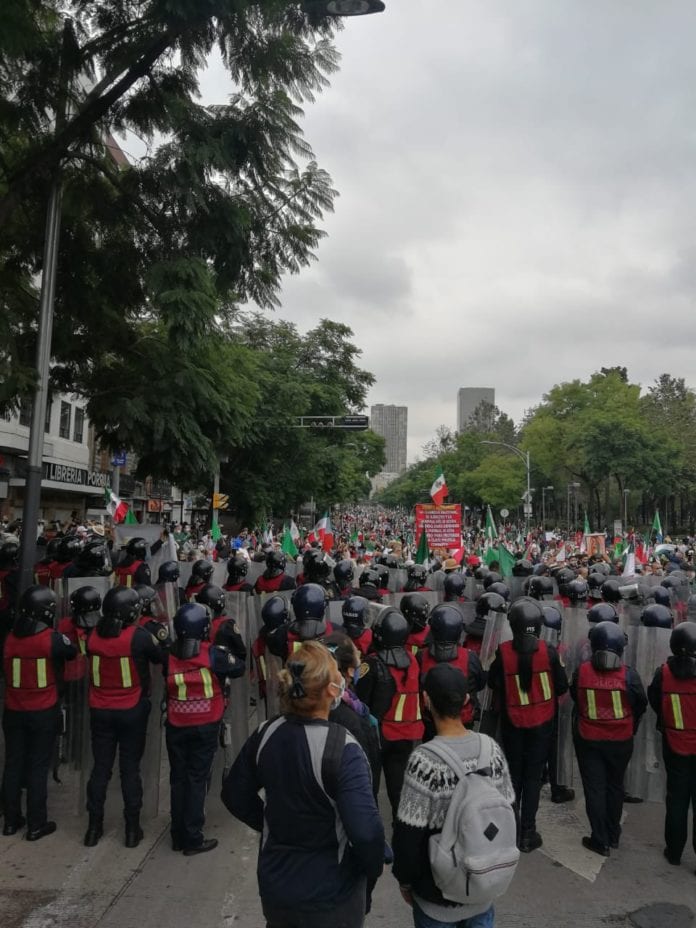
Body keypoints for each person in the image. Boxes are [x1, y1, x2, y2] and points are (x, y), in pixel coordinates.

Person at [221, 640, 385, 928]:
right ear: (329, 690)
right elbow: (366, 832)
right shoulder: (344, 748)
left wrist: (273, 823)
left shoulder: (266, 733)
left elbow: (234, 793)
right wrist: (370, 870)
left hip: (277, 891)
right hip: (332, 897)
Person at [393, 664, 515, 928]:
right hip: (482, 888)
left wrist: (405, 880)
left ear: (426, 701)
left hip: (436, 897)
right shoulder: (491, 749)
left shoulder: (424, 761)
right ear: (467, 700)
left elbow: (408, 836)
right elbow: (507, 813)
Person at [84, 585, 163, 848]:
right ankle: (132, 828)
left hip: (100, 711)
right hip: (131, 710)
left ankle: (93, 828)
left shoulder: (92, 637)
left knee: (100, 769)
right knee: (130, 770)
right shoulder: (138, 637)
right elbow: (161, 655)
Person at [487, 597, 568, 852]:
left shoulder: (503, 653)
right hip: (542, 726)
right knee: (533, 779)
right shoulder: (550, 653)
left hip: (512, 725)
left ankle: (511, 828)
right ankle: (527, 832)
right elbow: (563, 687)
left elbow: (493, 683)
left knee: (514, 777)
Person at [166, 602, 245, 854]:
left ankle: (177, 834)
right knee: (197, 779)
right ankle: (192, 837)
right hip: (205, 725)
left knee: (178, 779)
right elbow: (239, 666)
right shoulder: (213, 654)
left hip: (176, 723)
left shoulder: (168, 653)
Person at [2, 586, 77, 838]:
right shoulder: (51, 639)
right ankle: (37, 823)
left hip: (13, 710)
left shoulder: (9, 638)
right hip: (43, 711)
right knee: (37, 766)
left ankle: (10, 820)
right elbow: (71, 652)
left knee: (13, 764)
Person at [571, 621, 647, 856]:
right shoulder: (629, 676)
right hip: (621, 741)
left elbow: (576, 697)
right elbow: (640, 704)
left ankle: (600, 839)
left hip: (589, 740)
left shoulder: (581, 671)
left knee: (595, 790)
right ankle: (613, 835)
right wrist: (630, 726)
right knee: (615, 788)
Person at [355, 608, 423, 823]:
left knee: (370, 787)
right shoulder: (413, 661)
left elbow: (360, 699)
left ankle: (373, 834)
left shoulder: (371, 663)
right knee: (399, 789)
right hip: (405, 735)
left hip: (377, 735)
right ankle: (401, 832)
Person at [647, 620, 696, 867]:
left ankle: (674, 852)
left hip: (674, 744)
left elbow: (654, 699)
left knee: (676, 799)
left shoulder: (663, 673)